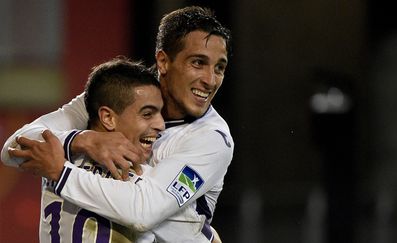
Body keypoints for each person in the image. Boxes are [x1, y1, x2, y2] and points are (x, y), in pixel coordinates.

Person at [3, 5, 232, 243]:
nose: (210, 80)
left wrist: (61, 172)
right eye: (198, 63)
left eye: (220, 68)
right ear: (163, 61)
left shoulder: (212, 139)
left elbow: (143, 210)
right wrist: (84, 140)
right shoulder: (117, 95)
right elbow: (13, 148)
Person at [16, 57, 165, 242]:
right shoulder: (149, 180)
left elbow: (14, 147)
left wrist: (62, 169)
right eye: (147, 114)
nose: (161, 124)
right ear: (108, 118)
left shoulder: (55, 157)